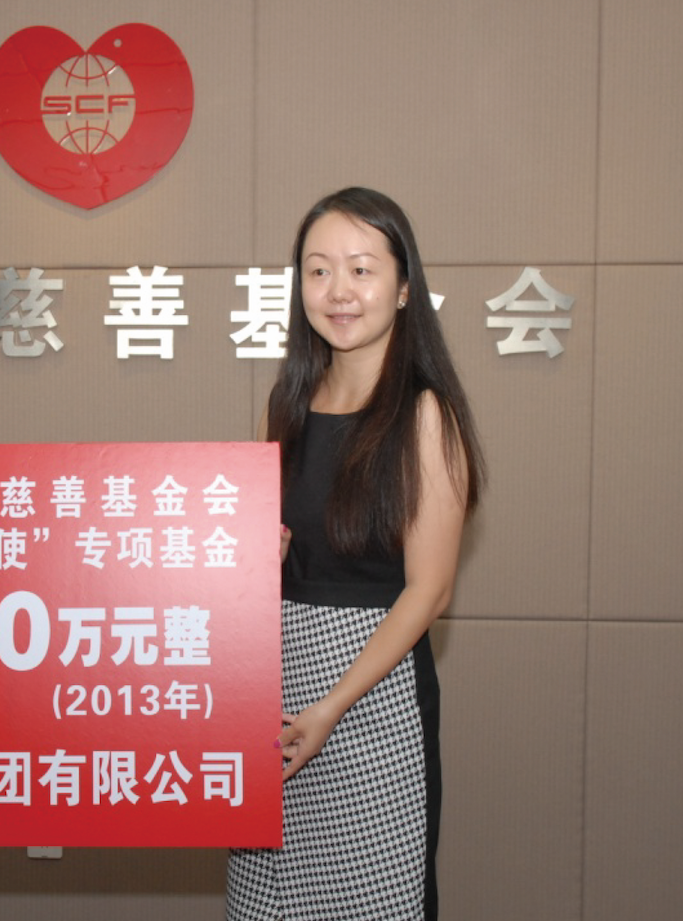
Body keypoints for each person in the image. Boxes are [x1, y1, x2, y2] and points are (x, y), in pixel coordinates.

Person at [227, 188, 485, 920]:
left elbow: (429, 591)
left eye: (361, 269)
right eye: (318, 270)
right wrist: (261, 554)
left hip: (370, 702)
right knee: (265, 902)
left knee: (369, 902)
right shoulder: (284, 403)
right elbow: (267, 551)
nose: (338, 290)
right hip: (274, 692)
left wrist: (331, 707)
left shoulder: (425, 415)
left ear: (404, 288)